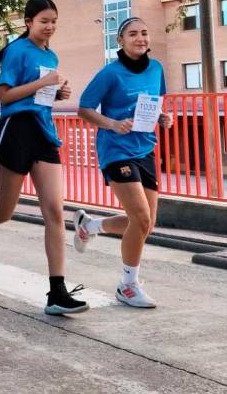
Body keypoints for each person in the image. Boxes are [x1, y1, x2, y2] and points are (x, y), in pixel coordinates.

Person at [0, 0, 89, 316]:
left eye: (54, 21)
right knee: (3, 211)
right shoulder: (16, 51)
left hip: (43, 133)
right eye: (44, 21)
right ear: (28, 22)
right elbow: (6, 96)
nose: (50, 27)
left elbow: (39, 95)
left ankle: (57, 291)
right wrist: (43, 83)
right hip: (16, 130)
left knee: (55, 211)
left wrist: (56, 94)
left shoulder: (51, 55)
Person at [75, 17, 171, 308]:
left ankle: (90, 225)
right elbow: (84, 109)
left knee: (145, 224)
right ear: (120, 40)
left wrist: (163, 117)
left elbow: (156, 103)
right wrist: (113, 124)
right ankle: (128, 285)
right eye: (133, 34)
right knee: (140, 219)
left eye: (144, 32)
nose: (140, 38)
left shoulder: (156, 68)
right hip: (116, 149)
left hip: (145, 149)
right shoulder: (110, 73)